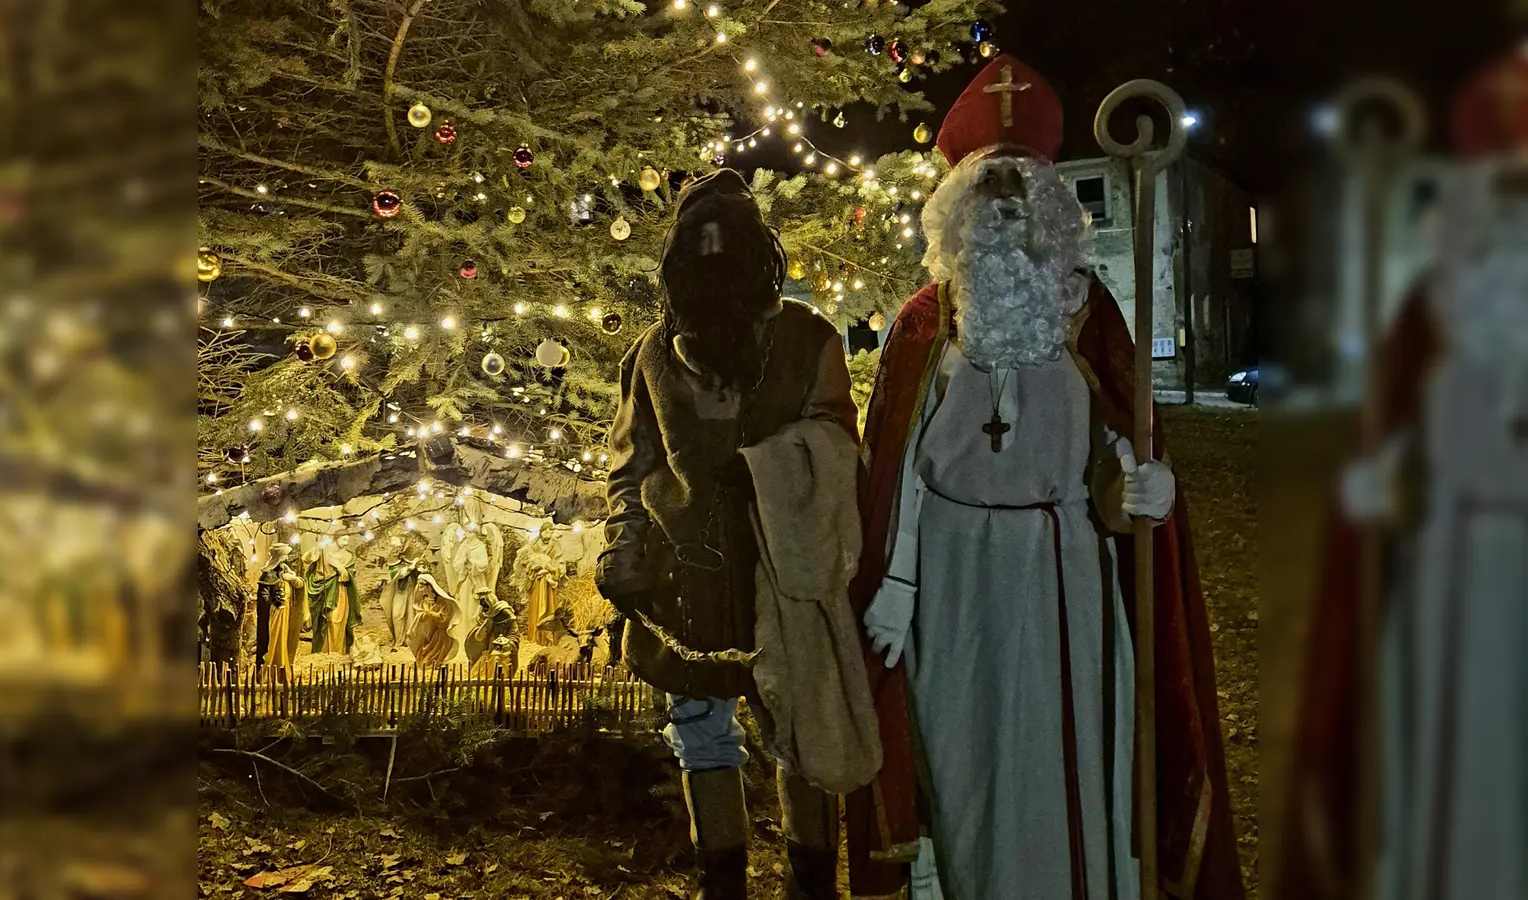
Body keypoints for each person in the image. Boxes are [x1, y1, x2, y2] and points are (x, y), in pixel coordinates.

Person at [844, 55, 1244, 900]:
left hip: (1066, 579)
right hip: (950, 589)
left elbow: (1123, 452)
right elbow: (899, 473)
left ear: (1053, 202)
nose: (1006, 205)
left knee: (1064, 754)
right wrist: (899, 581)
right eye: (989, 188)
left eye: (1023, 185)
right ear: (956, 206)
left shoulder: (1091, 313)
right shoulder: (923, 325)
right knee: (963, 762)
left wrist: (1144, 490)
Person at [1278, 51, 1528, 900]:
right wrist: (1377, 484)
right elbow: (1380, 458)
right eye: (1506, 187)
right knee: (1447, 771)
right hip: (1448, 580)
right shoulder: (1434, 306)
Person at [597, 168, 859, 900]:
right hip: (689, 582)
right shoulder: (651, 354)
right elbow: (631, 463)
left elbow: (839, 442)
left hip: (785, 574)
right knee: (701, 729)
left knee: (799, 734)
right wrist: (621, 550)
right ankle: (725, 888)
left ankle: (812, 887)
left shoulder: (807, 340)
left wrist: (770, 467)